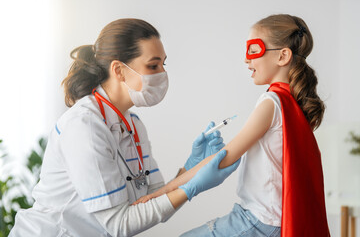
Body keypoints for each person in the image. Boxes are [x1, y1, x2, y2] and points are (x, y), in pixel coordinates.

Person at [9, 18, 240, 237]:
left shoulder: (133, 125)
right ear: (119, 70)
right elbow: (119, 224)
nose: (163, 74)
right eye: (153, 65)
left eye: (163, 64)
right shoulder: (85, 126)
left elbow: (153, 199)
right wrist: (192, 187)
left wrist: (191, 169)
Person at [135, 14, 330, 237]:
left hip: (260, 220)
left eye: (253, 50)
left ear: (283, 55)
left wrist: (165, 190)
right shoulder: (291, 102)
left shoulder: (272, 102)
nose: (246, 60)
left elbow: (225, 156)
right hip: (274, 220)